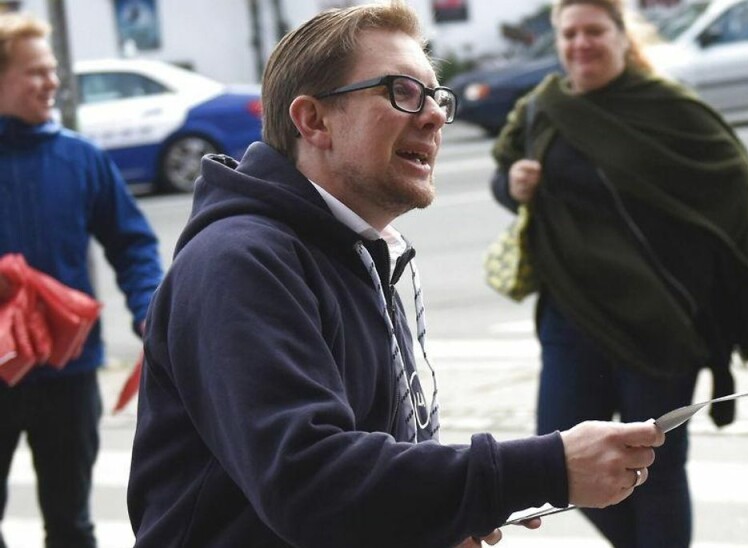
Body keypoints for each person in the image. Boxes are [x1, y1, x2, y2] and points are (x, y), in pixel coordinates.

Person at [126, 3, 667, 547]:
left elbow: (362, 481)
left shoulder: (352, 245)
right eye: (402, 92)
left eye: (436, 97)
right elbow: (311, 484)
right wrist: (544, 467)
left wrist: (430, 520)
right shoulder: (239, 262)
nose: (432, 116)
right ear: (314, 120)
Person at [489, 0, 748, 546]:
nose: (581, 44)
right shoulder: (542, 107)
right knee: (558, 459)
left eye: (594, 31)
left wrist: (698, 278)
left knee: (655, 469)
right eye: (569, 33)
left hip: (662, 324)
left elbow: (732, 178)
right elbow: (503, 167)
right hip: (572, 314)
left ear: (623, 37)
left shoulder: (668, 108)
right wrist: (513, 185)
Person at [0, 12, 164, 548]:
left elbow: (132, 242)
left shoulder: (80, 157)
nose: (53, 83)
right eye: (36, 73)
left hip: (69, 373)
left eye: (52, 71)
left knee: (72, 526)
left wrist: (149, 309)